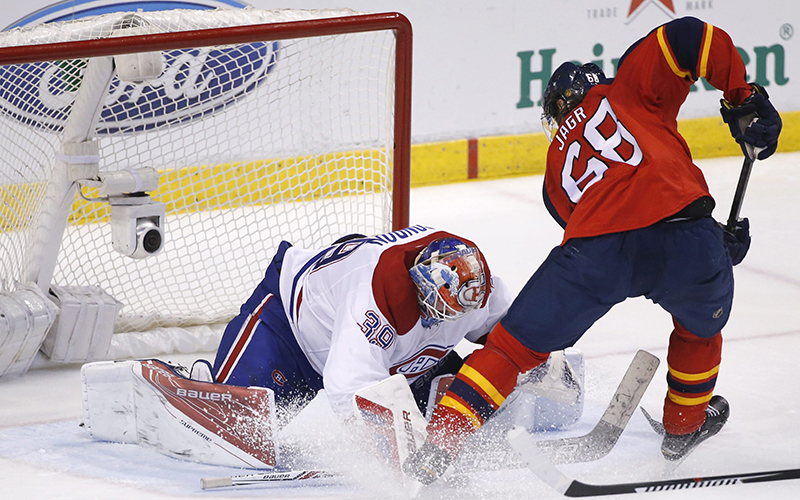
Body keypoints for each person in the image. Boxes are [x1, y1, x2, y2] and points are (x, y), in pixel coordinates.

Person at [403, 16, 782, 485]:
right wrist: (741, 96)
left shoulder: (552, 174)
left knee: (510, 349)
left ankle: (441, 442)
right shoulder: (625, 87)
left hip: (595, 254)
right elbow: (690, 37)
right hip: (685, 232)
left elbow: (600, 217)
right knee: (699, 329)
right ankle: (683, 428)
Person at [205, 225, 514, 423]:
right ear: (421, 284)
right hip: (287, 329)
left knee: (480, 390)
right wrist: (394, 462)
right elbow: (348, 388)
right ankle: (205, 381)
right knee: (239, 423)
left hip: (397, 360)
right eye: (438, 309)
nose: (444, 322)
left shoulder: (474, 288)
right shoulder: (375, 297)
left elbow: (517, 339)